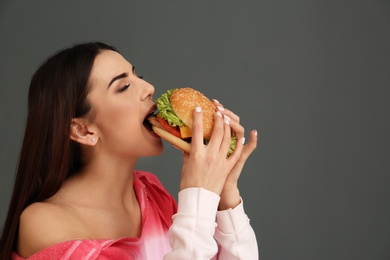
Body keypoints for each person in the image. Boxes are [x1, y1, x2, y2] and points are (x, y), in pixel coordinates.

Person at [0, 42, 258, 259]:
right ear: (83, 130)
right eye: (123, 86)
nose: (149, 89)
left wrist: (225, 198)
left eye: (139, 77)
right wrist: (198, 196)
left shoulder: (150, 193)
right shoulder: (43, 223)